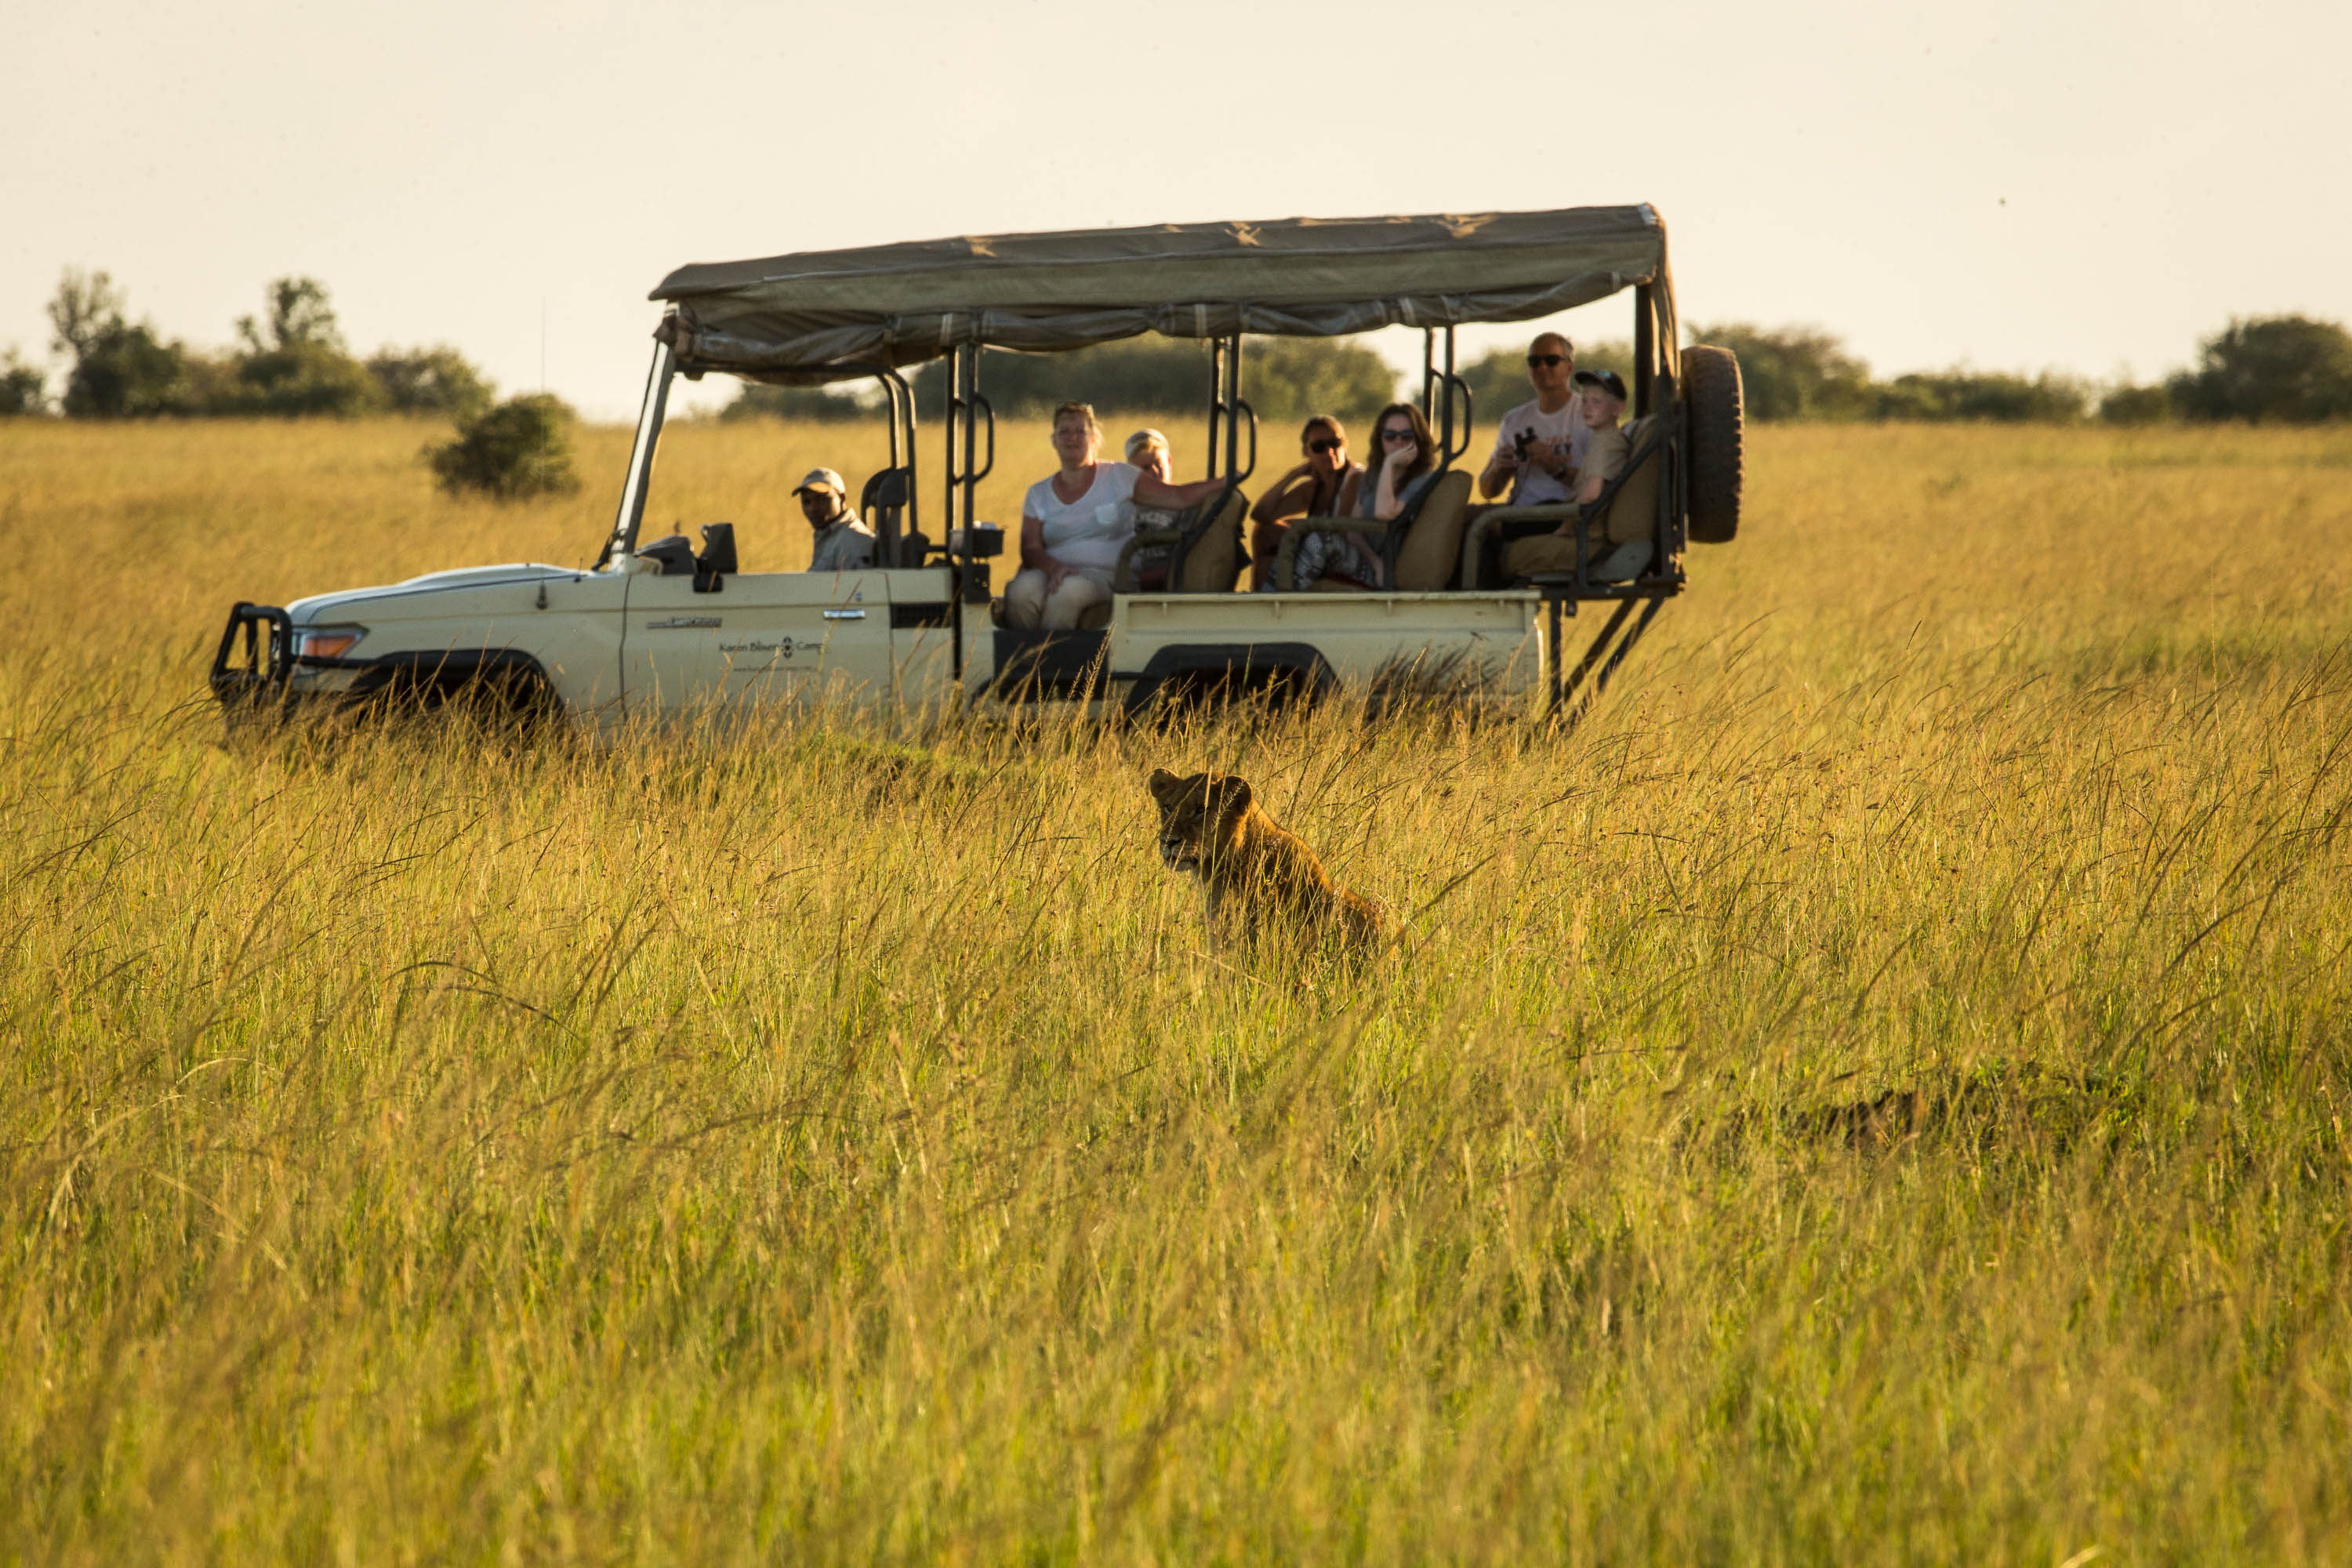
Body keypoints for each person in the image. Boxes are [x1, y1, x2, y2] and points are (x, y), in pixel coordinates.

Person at [1004, 403, 1227, 629]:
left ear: (1093, 438)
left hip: (1107, 574)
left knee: (1067, 594)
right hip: (1053, 571)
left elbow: (1177, 497)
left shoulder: (1119, 476)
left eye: (1080, 431)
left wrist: (1223, 482)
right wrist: (1053, 569)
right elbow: (1030, 548)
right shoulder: (1039, 493)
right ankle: (1022, 660)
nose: (1072, 438)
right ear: (1054, 440)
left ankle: (1053, 663)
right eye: (1064, 432)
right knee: (1020, 592)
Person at [1265, 401, 1436, 591]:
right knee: (1296, 539)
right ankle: (1271, 598)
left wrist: (1390, 464)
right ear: (1380, 439)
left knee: (1321, 540)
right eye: (1390, 436)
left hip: (1394, 568)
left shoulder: (1421, 479)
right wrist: (1376, 562)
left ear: (1418, 439)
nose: (1398, 442)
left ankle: (1282, 603)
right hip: (1373, 563)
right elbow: (1354, 532)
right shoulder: (1372, 477)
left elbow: (1385, 513)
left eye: (1407, 436)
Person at [1500, 370, 1653, 582]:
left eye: (1597, 402)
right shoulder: (1604, 438)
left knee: (1499, 538)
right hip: (1581, 525)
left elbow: (1591, 494)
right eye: (1585, 401)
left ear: (1618, 408)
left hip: (1586, 533)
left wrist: (1566, 526)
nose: (1588, 408)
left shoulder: (1606, 442)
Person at [1248, 415, 1361, 590]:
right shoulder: (1314, 488)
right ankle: (1261, 603)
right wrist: (1293, 475)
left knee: (1312, 541)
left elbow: (1341, 531)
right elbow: (1261, 514)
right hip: (1321, 551)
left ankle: (1273, 599)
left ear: (1345, 444)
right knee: (1266, 531)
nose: (1329, 452)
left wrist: (1299, 529)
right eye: (1319, 447)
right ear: (1306, 453)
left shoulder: (1356, 478)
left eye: (1335, 443)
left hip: (1353, 555)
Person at [1478, 332, 1588, 508]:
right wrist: (1499, 468)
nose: (1542, 367)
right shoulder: (1514, 420)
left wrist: (1555, 466)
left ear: (1569, 367)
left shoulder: (1588, 414)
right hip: (1518, 511)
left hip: (1564, 512)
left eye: (1551, 360)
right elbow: (1487, 491)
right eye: (1534, 362)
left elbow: (1603, 483)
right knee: (1459, 517)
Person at [793, 468, 876, 572]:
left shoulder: (853, 540)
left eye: (821, 499)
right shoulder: (830, 536)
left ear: (841, 498)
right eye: (806, 502)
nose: (812, 508)